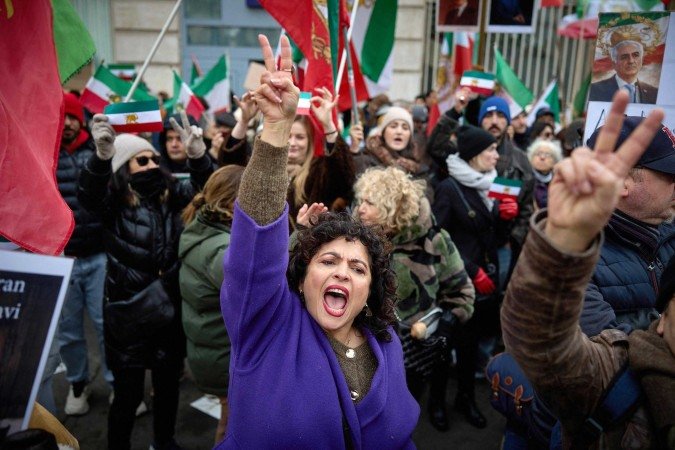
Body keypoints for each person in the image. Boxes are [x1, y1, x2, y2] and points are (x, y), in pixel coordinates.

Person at [216, 34, 418, 448]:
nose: (342, 272)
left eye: (357, 268)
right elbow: (256, 243)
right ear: (301, 275)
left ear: (370, 289)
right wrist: (276, 128)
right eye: (328, 261)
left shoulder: (386, 342)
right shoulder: (267, 324)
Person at [502, 92, 675, 448]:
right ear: (623, 182)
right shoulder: (582, 261)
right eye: (670, 173)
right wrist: (562, 247)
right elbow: (551, 350)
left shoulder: (669, 236)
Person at [78, 112, 213, 450]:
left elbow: (208, 190)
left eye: (154, 158)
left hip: (167, 311)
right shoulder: (113, 202)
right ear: (124, 167)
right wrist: (101, 159)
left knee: (167, 389)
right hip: (127, 315)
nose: (153, 164)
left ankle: (164, 442)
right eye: (142, 160)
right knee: (127, 396)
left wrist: (199, 157)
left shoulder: (172, 194)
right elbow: (88, 196)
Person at [353, 166, 475, 432]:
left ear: (393, 209)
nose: (360, 208)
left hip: (416, 347)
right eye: (360, 200)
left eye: (370, 203)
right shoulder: (355, 243)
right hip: (366, 347)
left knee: (405, 408)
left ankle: (431, 407)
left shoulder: (434, 241)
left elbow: (462, 292)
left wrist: (449, 319)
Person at [433, 125, 518, 429]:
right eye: (490, 150)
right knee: (445, 345)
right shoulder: (449, 188)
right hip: (456, 280)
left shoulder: (494, 183)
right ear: (472, 155)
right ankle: (436, 403)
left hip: (486, 279)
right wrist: (471, 270)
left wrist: (506, 219)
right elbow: (438, 237)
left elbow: (493, 236)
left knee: (470, 345)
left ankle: (466, 398)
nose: (496, 155)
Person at [178, 165, 244, 444]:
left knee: (230, 422)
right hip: (222, 357)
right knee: (231, 430)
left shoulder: (202, 227)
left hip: (213, 352)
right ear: (234, 202)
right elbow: (252, 286)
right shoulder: (221, 247)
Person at [56, 92, 111, 416]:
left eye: (71, 117)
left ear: (80, 119)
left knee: (106, 325)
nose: (66, 124)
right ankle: (78, 383)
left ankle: (117, 382)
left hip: (99, 255)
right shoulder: (44, 153)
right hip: (61, 259)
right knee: (68, 331)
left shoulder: (98, 149)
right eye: (61, 117)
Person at [363, 106, 428, 177]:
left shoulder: (419, 167)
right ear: (383, 132)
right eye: (393, 126)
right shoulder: (367, 162)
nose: (399, 132)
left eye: (405, 128)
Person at [589, 38, 658, 104]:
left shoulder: (654, 92)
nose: (631, 61)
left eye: (635, 55)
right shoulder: (593, 90)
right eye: (624, 57)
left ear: (641, 60)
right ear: (614, 64)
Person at [527, 138, 562, 210]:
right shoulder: (526, 179)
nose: (542, 157)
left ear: (555, 161)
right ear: (531, 159)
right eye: (538, 154)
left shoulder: (559, 182)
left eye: (547, 155)